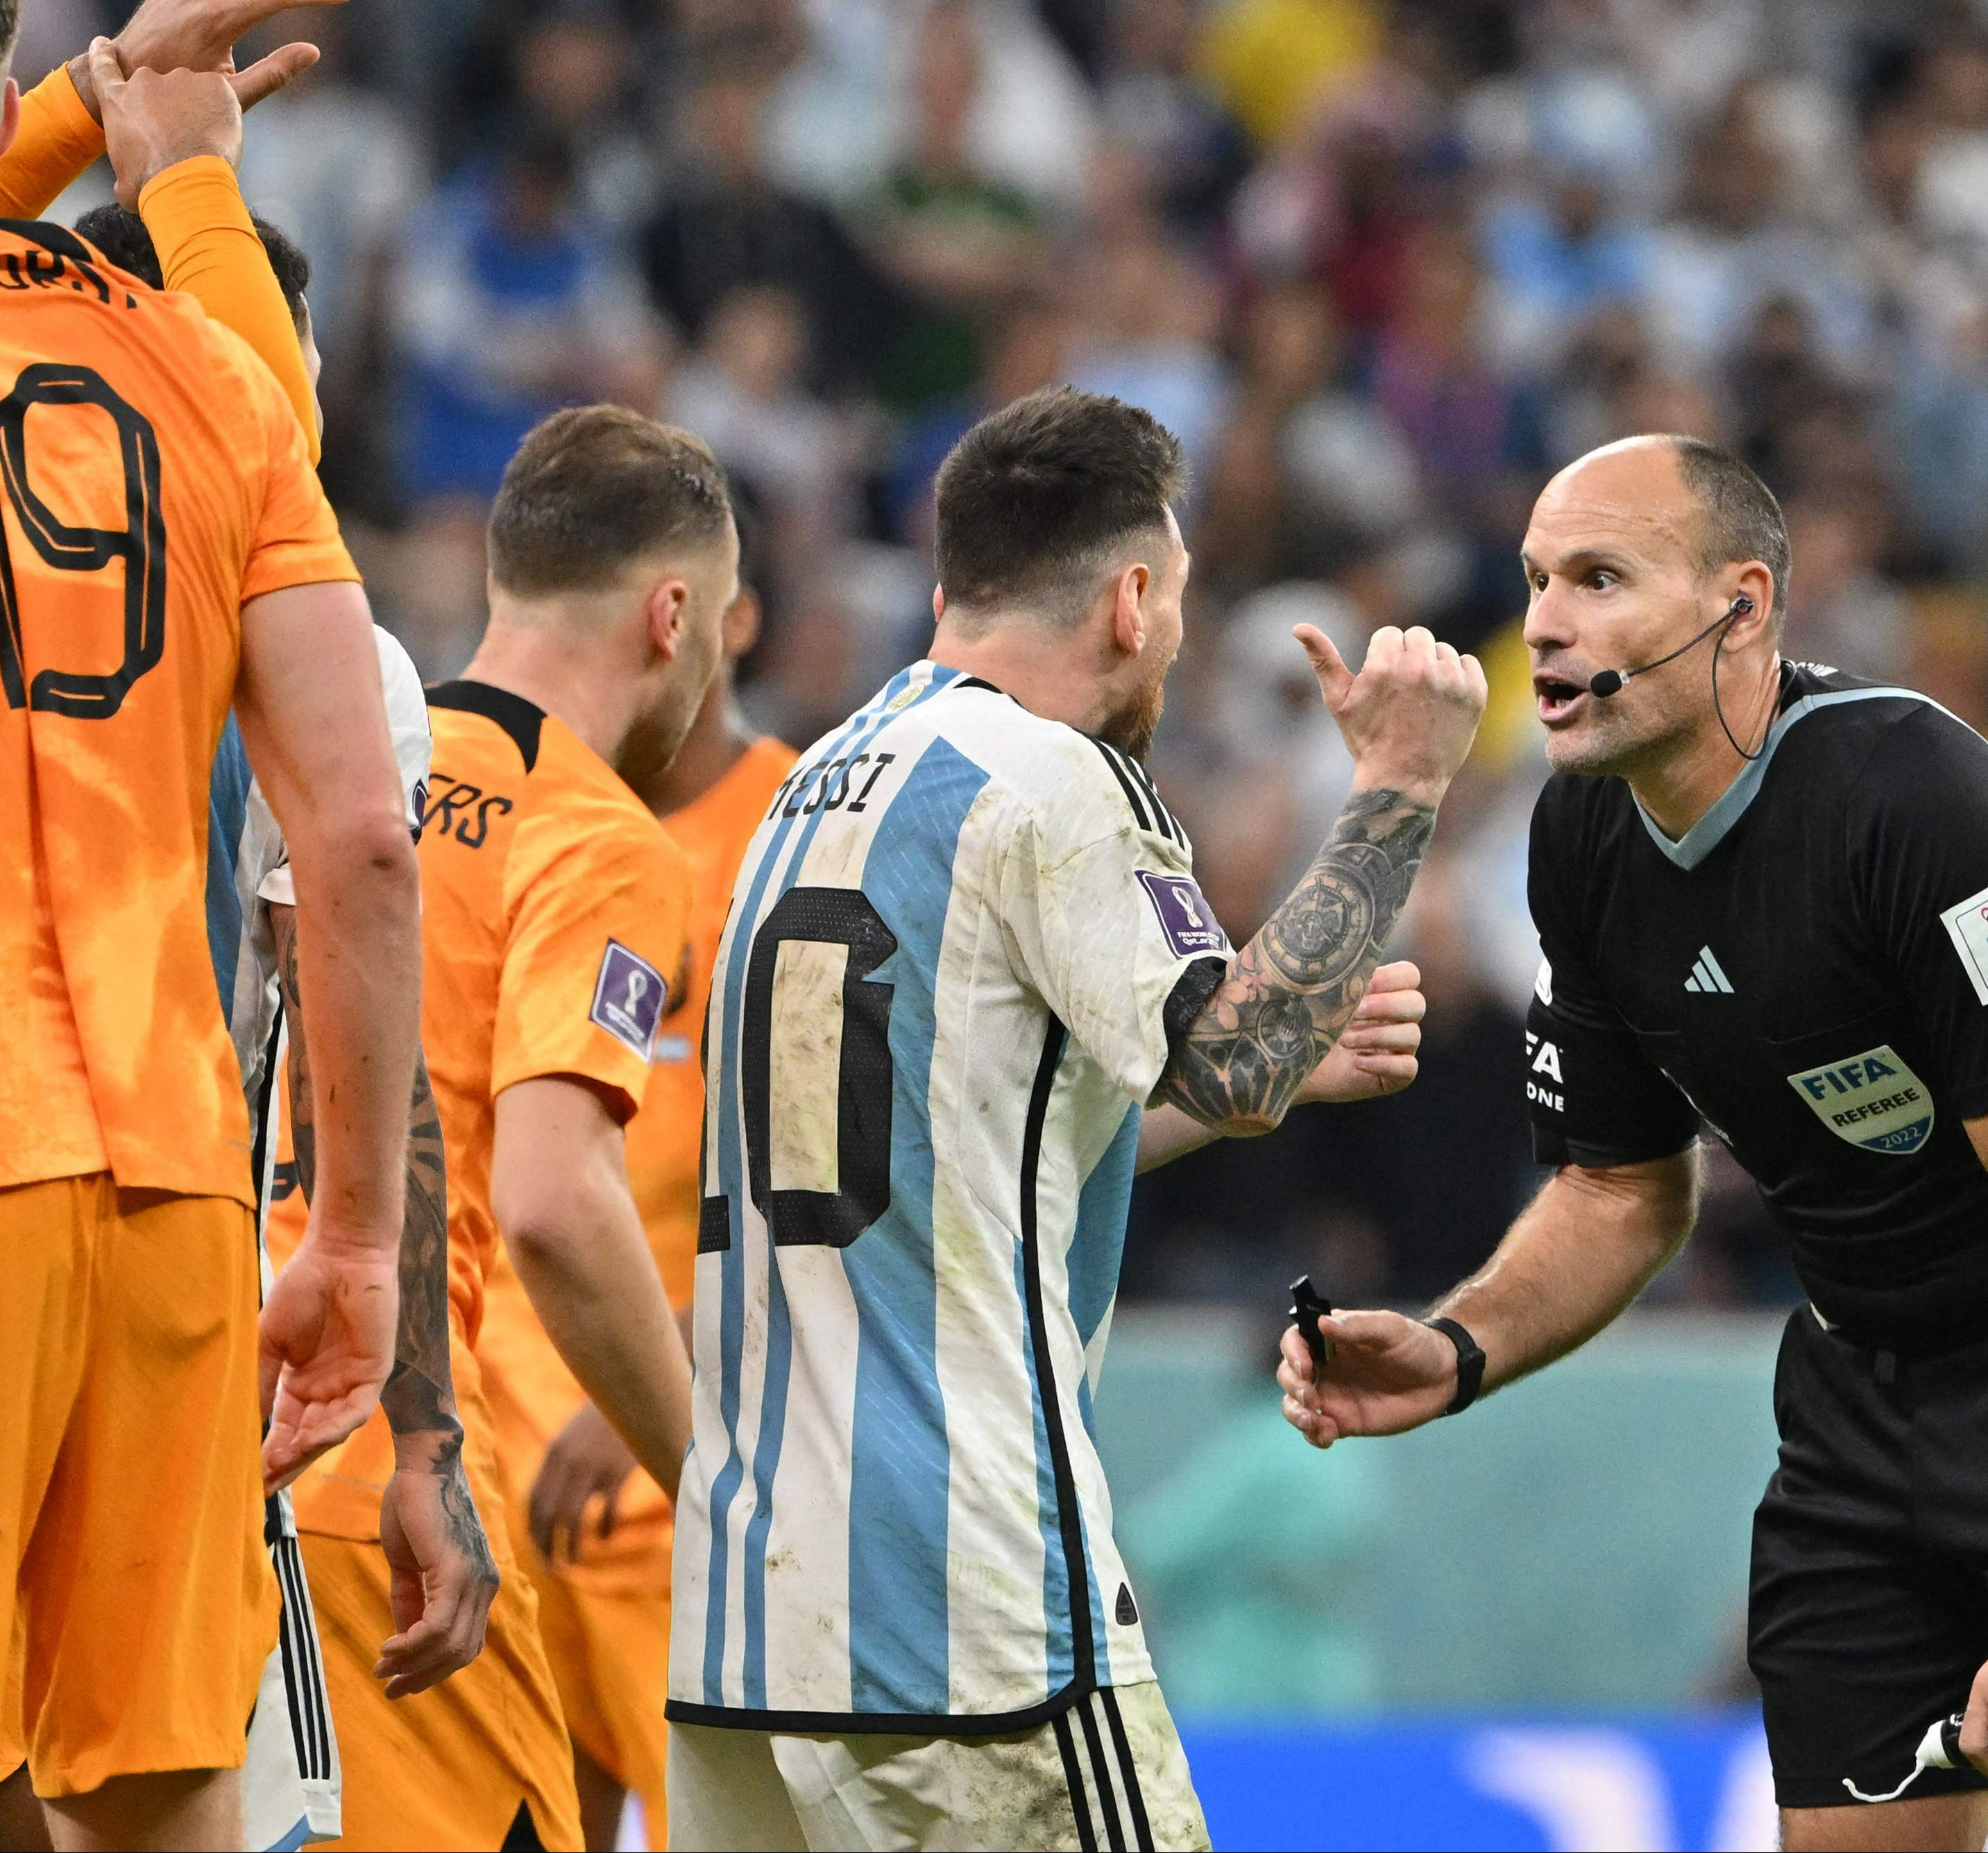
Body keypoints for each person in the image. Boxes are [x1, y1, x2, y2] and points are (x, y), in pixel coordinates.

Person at [1281, 435, 1988, 1853]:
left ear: (1739, 606)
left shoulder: (1908, 797)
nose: (1544, 622)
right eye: (1536, 579)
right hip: (1867, 1368)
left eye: (1599, 578)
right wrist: (1457, 1344)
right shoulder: (1580, 837)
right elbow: (1619, 1187)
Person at [667, 384, 1479, 1852]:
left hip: (745, 1609)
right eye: (1171, 598)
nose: (1170, 633)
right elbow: (1229, 1065)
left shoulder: (807, 789)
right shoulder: (1049, 779)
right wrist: (1400, 783)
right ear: (1127, 599)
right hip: (961, 1607)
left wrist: (1276, 1055)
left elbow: (961, 1141)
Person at [0, 8, 425, 1850]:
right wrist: (351, 1235)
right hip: (169, 1189)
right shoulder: (208, 379)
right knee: (161, 1803)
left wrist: (80, 136)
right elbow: (359, 838)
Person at [262, 406, 728, 1851]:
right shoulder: (589, 834)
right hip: (366, 1471)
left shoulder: (313, 762)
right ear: (671, 616)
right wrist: (721, 1485)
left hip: (171, 1411)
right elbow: (548, 1197)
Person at [477, 537, 797, 1852]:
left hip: (666, 1453)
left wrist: (660, 1368)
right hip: (487, 1447)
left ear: (729, 623)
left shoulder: (800, 836)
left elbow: (820, 1172)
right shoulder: (517, 813)